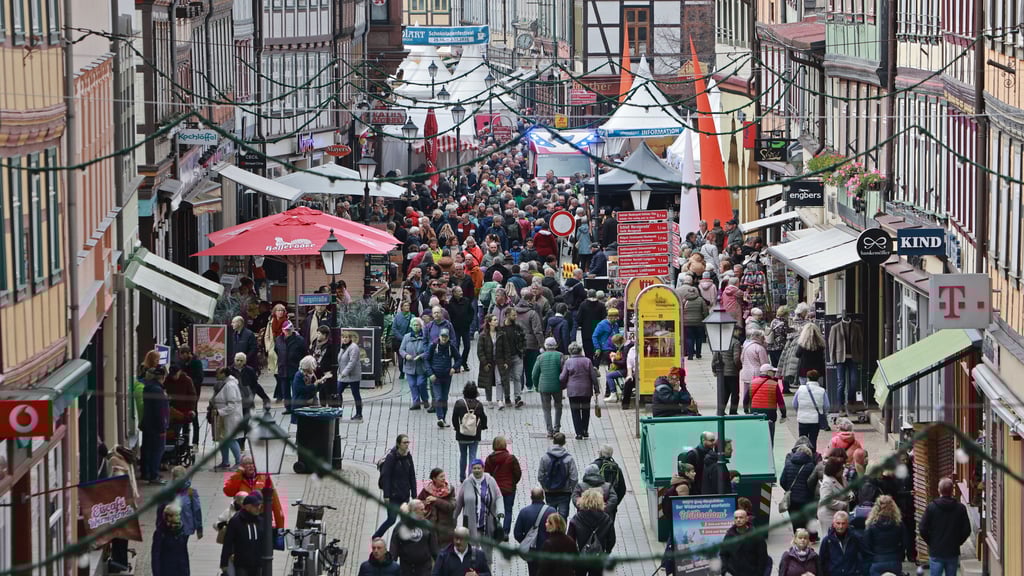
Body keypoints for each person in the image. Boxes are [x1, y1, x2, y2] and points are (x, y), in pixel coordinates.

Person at [918, 478, 971, 575]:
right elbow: (967, 530)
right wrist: (958, 542)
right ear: (952, 490)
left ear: (939, 490)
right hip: (952, 550)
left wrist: (931, 542)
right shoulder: (960, 508)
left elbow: (922, 528)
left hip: (936, 550)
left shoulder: (931, 507)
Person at [223, 453, 286, 529]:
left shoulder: (264, 477)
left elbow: (275, 502)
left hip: (262, 517)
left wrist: (280, 527)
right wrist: (238, 474)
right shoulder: (238, 478)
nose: (250, 466)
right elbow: (229, 492)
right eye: (246, 464)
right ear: (242, 466)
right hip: (244, 519)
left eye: (252, 463)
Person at [374, 434, 418, 539]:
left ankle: (402, 541)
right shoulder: (391, 457)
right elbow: (386, 477)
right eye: (404, 442)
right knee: (391, 520)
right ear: (398, 444)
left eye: (408, 442)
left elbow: (412, 475)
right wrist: (386, 495)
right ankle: (376, 537)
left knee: (405, 520)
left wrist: (414, 494)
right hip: (393, 496)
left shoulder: (408, 456)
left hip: (404, 495)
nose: (407, 445)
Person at [568, 488, 616, 576]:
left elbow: (570, 539)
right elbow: (611, 539)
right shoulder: (606, 518)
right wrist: (607, 552)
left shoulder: (577, 518)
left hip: (580, 557)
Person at [484, 436, 522, 540]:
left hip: (494, 489)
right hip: (508, 489)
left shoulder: (489, 459)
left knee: (494, 510)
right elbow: (518, 473)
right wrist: (512, 483)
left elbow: (486, 475)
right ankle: (505, 533)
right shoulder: (511, 458)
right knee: (508, 510)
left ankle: (495, 530)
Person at [560, 341, 600, 439]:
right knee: (586, 410)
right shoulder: (587, 361)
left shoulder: (568, 362)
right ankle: (585, 430)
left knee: (575, 411)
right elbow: (593, 377)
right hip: (586, 390)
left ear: (570, 351)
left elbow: (562, 378)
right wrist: (596, 389)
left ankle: (578, 433)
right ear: (580, 350)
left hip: (573, 391)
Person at [514, 488, 557, 576]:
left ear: (531, 497)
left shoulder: (524, 512)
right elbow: (557, 531)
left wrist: (527, 542)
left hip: (532, 551)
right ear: (543, 497)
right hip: (548, 550)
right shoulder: (552, 511)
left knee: (533, 572)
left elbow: (517, 533)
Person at [219, 492, 264, 576]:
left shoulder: (260, 521)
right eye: (255, 506)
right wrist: (224, 563)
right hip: (242, 564)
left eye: (259, 505)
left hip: (258, 564)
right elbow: (228, 543)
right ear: (247, 506)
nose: (258, 508)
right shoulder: (236, 521)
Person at [389, 500, 438, 576]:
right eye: (421, 510)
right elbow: (394, 547)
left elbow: (434, 548)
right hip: (406, 568)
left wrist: (439, 565)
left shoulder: (428, 526)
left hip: (424, 568)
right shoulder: (401, 526)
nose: (424, 512)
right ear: (413, 511)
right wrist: (391, 565)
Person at [452, 382, 488, 482]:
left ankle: (462, 477)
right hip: (474, 435)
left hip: (462, 434)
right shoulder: (479, 405)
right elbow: (483, 418)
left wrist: (457, 428)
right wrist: (484, 426)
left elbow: (454, 418)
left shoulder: (459, 403)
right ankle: (471, 477)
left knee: (463, 455)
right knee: (472, 455)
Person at [210, 367, 245, 469]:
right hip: (224, 416)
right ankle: (225, 461)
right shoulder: (226, 383)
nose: (216, 375)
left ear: (223, 374)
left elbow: (232, 405)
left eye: (218, 373)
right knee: (222, 439)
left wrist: (219, 411)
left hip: (230, 417)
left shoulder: (230, 385)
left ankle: (239, 461)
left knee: (230, 439)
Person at [780, 440, 818, 533]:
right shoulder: (810, 466)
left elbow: (782, 481)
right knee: (805, 524)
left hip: (792, 500)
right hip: (806, 500)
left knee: (795, 523)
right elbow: (813, 483)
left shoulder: (788, 464)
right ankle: (804, 539)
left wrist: (789, 490)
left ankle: (797, 538)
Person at [140, 365, 169, 484]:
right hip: (157, 426)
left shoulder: (148, 388)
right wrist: (162, 427)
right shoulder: (158, 390)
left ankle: (147, 473)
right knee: (157, 451)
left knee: (148, 450)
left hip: (148, 424)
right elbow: (160, 411)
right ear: (163, 377)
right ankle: (154, 475)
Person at [538, 432, 578, 519]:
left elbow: (540, 476)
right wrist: (571, 489)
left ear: (553, 441)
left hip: (550, 491)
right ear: (564, 442)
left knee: (550, 517)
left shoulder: (545, 457)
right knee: (563, 517)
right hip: (565, 491)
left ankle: (551, 528)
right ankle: (562, 528)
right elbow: (574, 477)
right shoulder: (569, 458)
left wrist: (545, 487)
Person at [719, 508, 769, 576]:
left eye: (741, 517)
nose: (738, 520)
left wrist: (759, 573)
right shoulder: (729, 536)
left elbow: (762, 557)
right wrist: (725, 571)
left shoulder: (756, 536)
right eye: (736, 518)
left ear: (746, 519)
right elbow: (723, 554)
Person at [864, 495, 905, 576]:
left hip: (877, 560)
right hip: (894, 560)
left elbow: (866, 544)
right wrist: (900, 555)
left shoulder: (871, 525)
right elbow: (905, 543)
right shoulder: (899, 524)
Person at [425, 329, 459, 424]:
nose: (444, 338)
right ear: (439, 336)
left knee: (444, 398)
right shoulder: (433, 346)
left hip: (447, 376)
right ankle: (440, 418)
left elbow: (459, 359)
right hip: (435, 376)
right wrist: (430, 373)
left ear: (448, 337)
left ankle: (443, 419)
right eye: (442, 336)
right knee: (438, 397)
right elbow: (426, 360)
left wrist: (454, 368)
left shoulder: (451, 346)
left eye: (446, 337)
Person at [747, 364, 787, 444]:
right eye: (772, 372)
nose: (774, 374)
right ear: (768, 372)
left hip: (755, 413)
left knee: (757, 437)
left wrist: (747, 411)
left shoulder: (752, 382)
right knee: (769, 438)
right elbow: (780, 402)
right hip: (769, 414)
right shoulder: (774, 384)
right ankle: (769, 451)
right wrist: (783, 415)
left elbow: (746, 399)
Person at [818, 511, 868, 576]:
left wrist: (861, 571)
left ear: (847, 524)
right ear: (833, 524)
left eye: (843, 523)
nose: (841, 526)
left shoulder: (855, 538)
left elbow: (866, 556)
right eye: (838, 523)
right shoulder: (827, 540)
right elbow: (821, 561)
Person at [533, 337, 565, 436]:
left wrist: (536, 386)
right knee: (558, 406)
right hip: (557, 386)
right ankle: (557, 428)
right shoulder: (560, 355)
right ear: (555, 345)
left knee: (546, 409)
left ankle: (549, 430)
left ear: (545, 346)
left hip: (544, 387)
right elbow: (564, 371)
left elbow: (534, 374)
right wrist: (563, 384)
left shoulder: (540, 357)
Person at [419, 468, 457, 547]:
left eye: (444, 476)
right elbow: (418, 503)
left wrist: (436, 500)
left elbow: (451, 506)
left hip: (445, 529)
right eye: (441, 477)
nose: (444, 479)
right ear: (434, 479)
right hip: (430, 527)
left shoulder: (449, 490)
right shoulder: (426, 490)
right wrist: (425, 503)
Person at [516, 291, 545, 393]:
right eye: (533, 300)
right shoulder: (532, 313)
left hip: (517, 343)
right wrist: (542, 345)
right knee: (530, 365)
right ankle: (529, 385)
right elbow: (537, 331)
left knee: (519, 365)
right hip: (531, 343)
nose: (535, 302)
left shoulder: (514, 311)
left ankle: (519, 386)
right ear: (529, 301)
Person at [497, 309, 526, 407]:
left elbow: (523, 339)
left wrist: (522, 350)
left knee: (517, 377)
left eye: (515, 315)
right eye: (513, 315)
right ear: (507, 315)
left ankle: (518, 398)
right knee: (505, 379)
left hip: (517, 356)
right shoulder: (501, 329)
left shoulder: (518, 327)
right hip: (506, 358)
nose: (515, 317)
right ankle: (507, 397)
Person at [794, 370, 830, 450]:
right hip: (815, 420)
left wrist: (799, 412)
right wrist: (823, 413)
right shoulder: (822, 391)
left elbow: (795, 404)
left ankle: (802, 455)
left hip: (802, 419)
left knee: (802, 440)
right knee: (813, 439)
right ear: (818, 379)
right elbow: (827, 406)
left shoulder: (800, 389)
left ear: (808, 378)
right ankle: (812, 455)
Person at [817, 459, 852, 540]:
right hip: (828, 515)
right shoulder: (827, 483)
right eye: (841, 468)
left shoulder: (841, 478)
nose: (843, 470)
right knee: (830, 537)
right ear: (835, 470)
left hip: (841, 513)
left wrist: (850, 494)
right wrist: (843, 504)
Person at [275, 320, 305, 413]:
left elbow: (304, 352)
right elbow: (276, 350)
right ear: (282, 330)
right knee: (285, 390)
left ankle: (296, 407)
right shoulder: (279, 339)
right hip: (283, 368)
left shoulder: (299, 339)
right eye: (286, 329)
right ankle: (288, 407)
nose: (288, 331)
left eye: (289, 329)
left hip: (295, 367)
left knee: (295, 389)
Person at [401, 318, 431, 412]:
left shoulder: (425, 336)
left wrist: (421, 356)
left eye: (417, 325)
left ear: (421, 326)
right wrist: (406, 355)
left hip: (421, 366)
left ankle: (425, 400)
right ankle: (416, 402)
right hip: (409, 366)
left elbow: (428, 350)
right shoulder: (407, 337)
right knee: (412, 385)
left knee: (421, 383)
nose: (415, 327)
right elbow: (401, 349)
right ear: (411, 326)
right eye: (414, 325)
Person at [152, 504, 191, 576]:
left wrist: (187, 572)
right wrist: (156, 573)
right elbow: (155, 556)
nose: (179, 517)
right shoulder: (160, 533)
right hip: (166, 570)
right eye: (177, 515)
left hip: (180, 571)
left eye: (179, 515)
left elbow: (184, 554)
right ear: (169, 517)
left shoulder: (181, 531)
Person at [712, 327, 742, 415]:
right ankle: (733, 412)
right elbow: (736, 359)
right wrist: (739, 367)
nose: (739, 333)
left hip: (722, 372)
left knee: (724, 393)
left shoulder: (721, 342)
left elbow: (715, 357)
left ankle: (721, 410)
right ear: (734, 331)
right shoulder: (736, 342)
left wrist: (714, 369)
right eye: (738, 331)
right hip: (732, 372)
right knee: (735, 393)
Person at [338, 330, 365, 420]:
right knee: (338, 392)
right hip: (343, 375)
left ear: (350, 338)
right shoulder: (343, 347)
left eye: (346, 337)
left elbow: (352, 362)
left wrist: (344, 372)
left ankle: (359, 413)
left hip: (353, 375)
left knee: (355, 393)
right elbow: (340, 359)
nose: (344, 339)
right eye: (343, 337)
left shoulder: (354, 347)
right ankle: (338, 412)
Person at [446, 286, 474, 371]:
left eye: (461, 291)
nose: (461, 293)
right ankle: (457, 364)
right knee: (456, 346)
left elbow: (471, 312)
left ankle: (464, 362)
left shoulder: (466, 301)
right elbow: (449, 316)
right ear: (454, 293)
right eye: (459, 291)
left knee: (467, 346)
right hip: (455, 329)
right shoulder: (450, 303)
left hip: (465, 327)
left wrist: (469, 321)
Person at [680, 283, 709, 360]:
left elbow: (681, 311)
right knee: (699, 338)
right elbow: (705, 311)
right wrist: (706, 320)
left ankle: (690, 355)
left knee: (689, 338)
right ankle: (698, 354)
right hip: (699, 322)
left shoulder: (684, 300)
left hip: (687, 323)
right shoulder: (700, 300)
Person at [476, 314, 501, 404]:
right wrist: (484, 363)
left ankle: (499, 400)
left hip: (498, 361)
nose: (497, 321)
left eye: (496, 319)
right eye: (494, 320)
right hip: (488, 361)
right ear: (489, 322)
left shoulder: (500, 333)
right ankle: (489, 400)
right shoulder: (483, 335)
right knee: (488, 381)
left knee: (499, 380)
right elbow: (480, 351)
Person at [577, 290, 607, 361]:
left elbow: (579, 318)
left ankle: (589, 362)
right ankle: (596, 363)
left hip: (586, 330)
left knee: (588, 349)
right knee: (597, 346)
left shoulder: (583, 305)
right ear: (596, 295)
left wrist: (581, 324)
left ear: (587, 295)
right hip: (598, 329)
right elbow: (604, 318)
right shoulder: (601, 305)